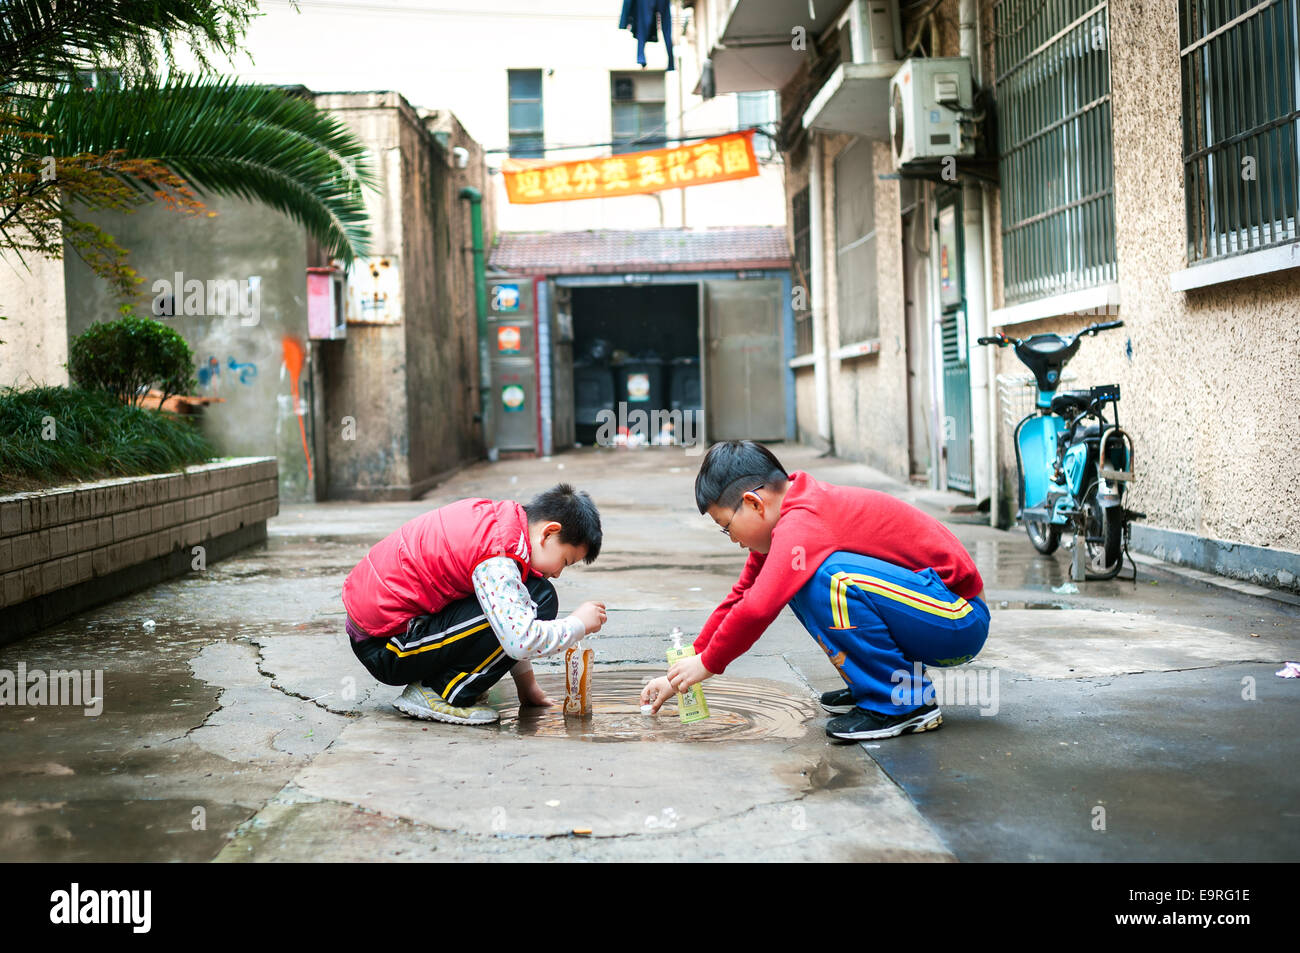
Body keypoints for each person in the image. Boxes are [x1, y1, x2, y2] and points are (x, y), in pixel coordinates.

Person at [641, 441, 988, 741]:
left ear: (754, 503)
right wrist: (688, 664)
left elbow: (758, 608)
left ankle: (902, 703)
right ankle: (874, 686)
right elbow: (742, 595)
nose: (733, 539)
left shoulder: (803, 523)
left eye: (727, 527)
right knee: (796, 578)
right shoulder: (789, 522)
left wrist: (709, 663)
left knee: (827, 578)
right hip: (930, 615)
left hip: (958, 619)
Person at [344, 483, 607, 726]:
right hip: (387, 647)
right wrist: (578, 624)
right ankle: (439, 693)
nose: (559, 572)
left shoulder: (502, 524)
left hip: (387, 632)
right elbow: (519, 639)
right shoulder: (498, 558)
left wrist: (527, 686)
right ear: (549, 532)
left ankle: (445, 684)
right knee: (541, 599)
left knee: (535, 594)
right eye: (566, 560)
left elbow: (509, 612)